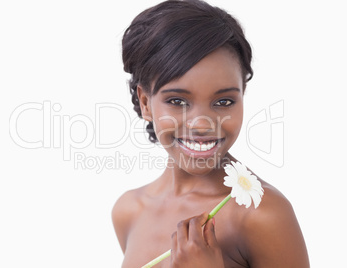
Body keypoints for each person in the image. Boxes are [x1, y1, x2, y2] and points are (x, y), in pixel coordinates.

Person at [112, 0, 310, 267]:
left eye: (223, 102)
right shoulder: (128, 211)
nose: (202, 125)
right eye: (178, 102)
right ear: (146, 103)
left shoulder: (263, 215)